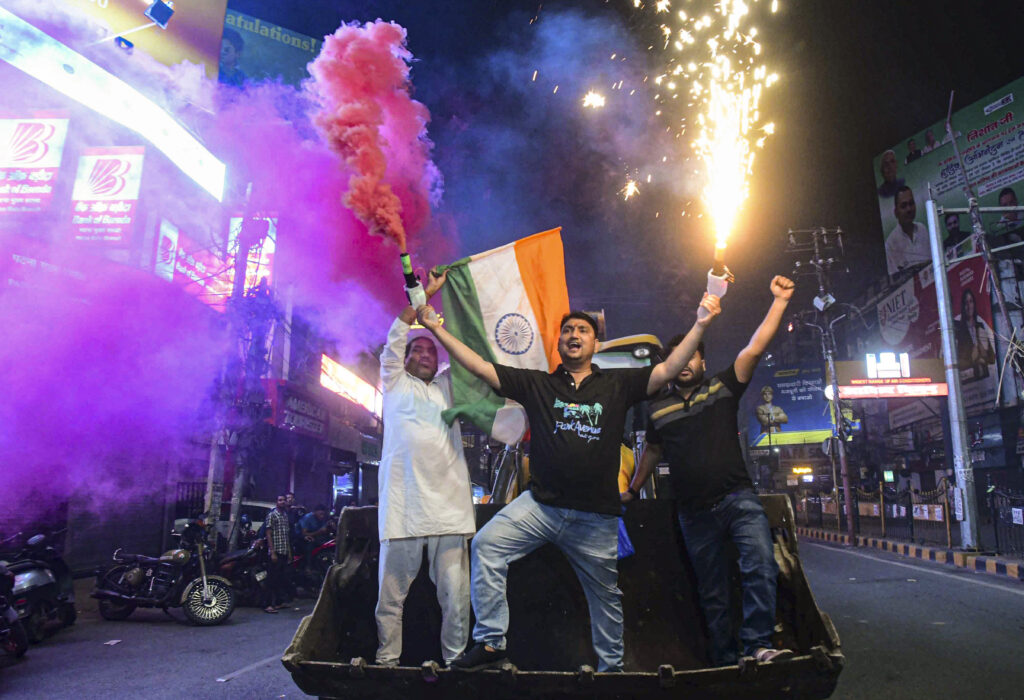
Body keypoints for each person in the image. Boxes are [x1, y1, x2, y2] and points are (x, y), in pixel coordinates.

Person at [416, 292, 722, 672]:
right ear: (559, 344)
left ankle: (612, 671)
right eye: (567, 330)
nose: (574, 334)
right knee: (487, 545)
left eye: (582, 330)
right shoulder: (539, 385)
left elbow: (668, 369)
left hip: (596, 518)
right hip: (540, 507)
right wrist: (434, 327)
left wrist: (703, 322)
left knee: (605, 598)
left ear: (594, 344)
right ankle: (492, 643)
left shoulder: (617, 386)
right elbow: (479, 366)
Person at [626, 275, 796, 667]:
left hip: (738, 499)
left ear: (702, 360)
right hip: (692, 512)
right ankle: (724, 661)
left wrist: (780, 302)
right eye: (678, 358)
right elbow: (651, 451)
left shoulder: (722, 388)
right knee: (712, 590)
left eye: (692, 357)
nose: (685, 363)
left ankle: (758, 644)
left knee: (760, 564)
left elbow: (755, 347)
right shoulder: (657, 410)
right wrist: (634, 490)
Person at [375, 270, 476, 668]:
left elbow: (471, 353)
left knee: (456, 596)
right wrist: (423, 298)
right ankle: (386, 663)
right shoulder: (394, 381)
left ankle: (454, 665)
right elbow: (396, 333)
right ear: (403, 359)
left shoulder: (449, 387)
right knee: (390, 597)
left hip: (449, 508)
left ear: (439, 361)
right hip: (403, 505)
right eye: (415, 350)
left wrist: (439, 320)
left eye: (430, 351)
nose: (422, 355)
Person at [885, 186, 931, 275]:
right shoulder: (890, 245)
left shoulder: (922, 229)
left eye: (911, 203)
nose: (909, 209)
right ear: (896, 212)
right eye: (904, 206)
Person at [955, 288, 996, 380]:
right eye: (966, 303)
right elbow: (957, 362)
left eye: (971, 301)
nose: (969, 306)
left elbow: (992, 358)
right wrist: (972, 360)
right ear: (963, 306)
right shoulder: (958, 330)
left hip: (987, 381)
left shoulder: (980, 326)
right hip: (970, 383)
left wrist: (983, 357)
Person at [263, 495, 292, 613]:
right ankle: (268, 604)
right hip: (276, 552)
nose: (282, 502)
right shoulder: (272, 515)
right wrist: (272, 552)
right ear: (276, 502)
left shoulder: (285, 516)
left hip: (284, 551)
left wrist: (289, 552)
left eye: (284, 500)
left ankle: (279, 603)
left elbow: (286, 536)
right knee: (271, 579)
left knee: (281, 578)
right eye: (280, 500)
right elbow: (268, 534)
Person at [298, 505, 330, 572]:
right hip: (301, 537)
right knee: (310, 545)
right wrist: (319, 531)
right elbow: (304, 533)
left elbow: (323, 531)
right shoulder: (308, 518)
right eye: (320, 514)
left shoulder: (322, 519)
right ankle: (308, 566)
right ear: (315, 512)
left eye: (323, 514)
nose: (322, 516)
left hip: (315, 536)